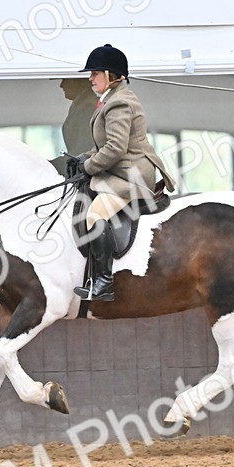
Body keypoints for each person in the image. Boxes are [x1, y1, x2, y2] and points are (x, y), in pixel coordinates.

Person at [71, 44, 174, 302]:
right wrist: (82, 158)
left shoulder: (119, 103)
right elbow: (104, 146)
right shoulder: (112, 99)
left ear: (110, 74)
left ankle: (104, 282)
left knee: (95, 215)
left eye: (95, 73)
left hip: (131, 175)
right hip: (120, 170)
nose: (90, 78)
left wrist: (88, 167)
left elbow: (115, 148)